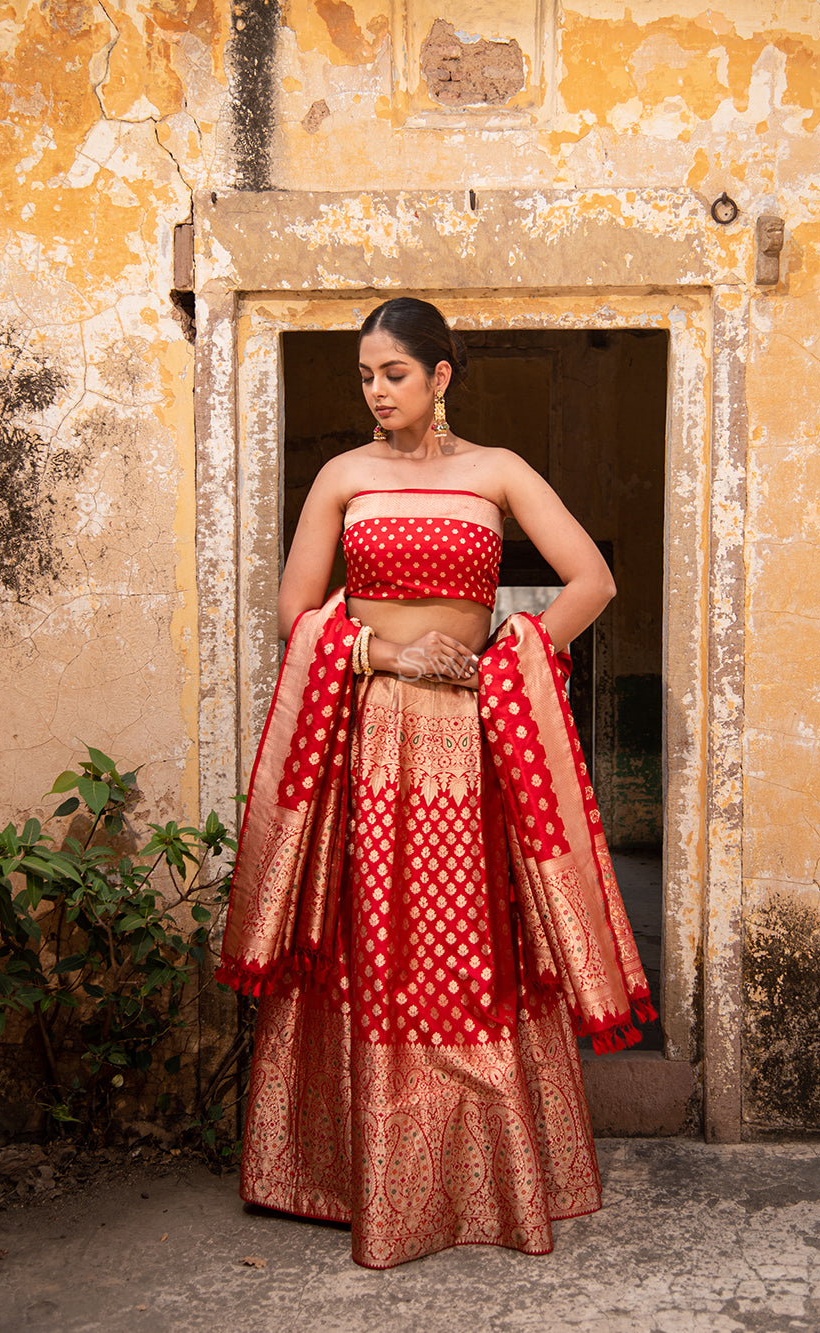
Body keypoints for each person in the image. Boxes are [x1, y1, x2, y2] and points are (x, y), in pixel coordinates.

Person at [216, 297, 654, 1269]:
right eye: (365, 375)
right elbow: (296, 612)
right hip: (368, 730)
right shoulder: (344, 477)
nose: (376, 392)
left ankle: (481, 1172)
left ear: (440, 375)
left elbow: (591, 580)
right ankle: (360, 1172)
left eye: (394, 374)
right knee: (375, 938)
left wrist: (510, 655)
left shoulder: (495, 473)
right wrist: (378, 650)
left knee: (464, 945)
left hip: (467, 736)